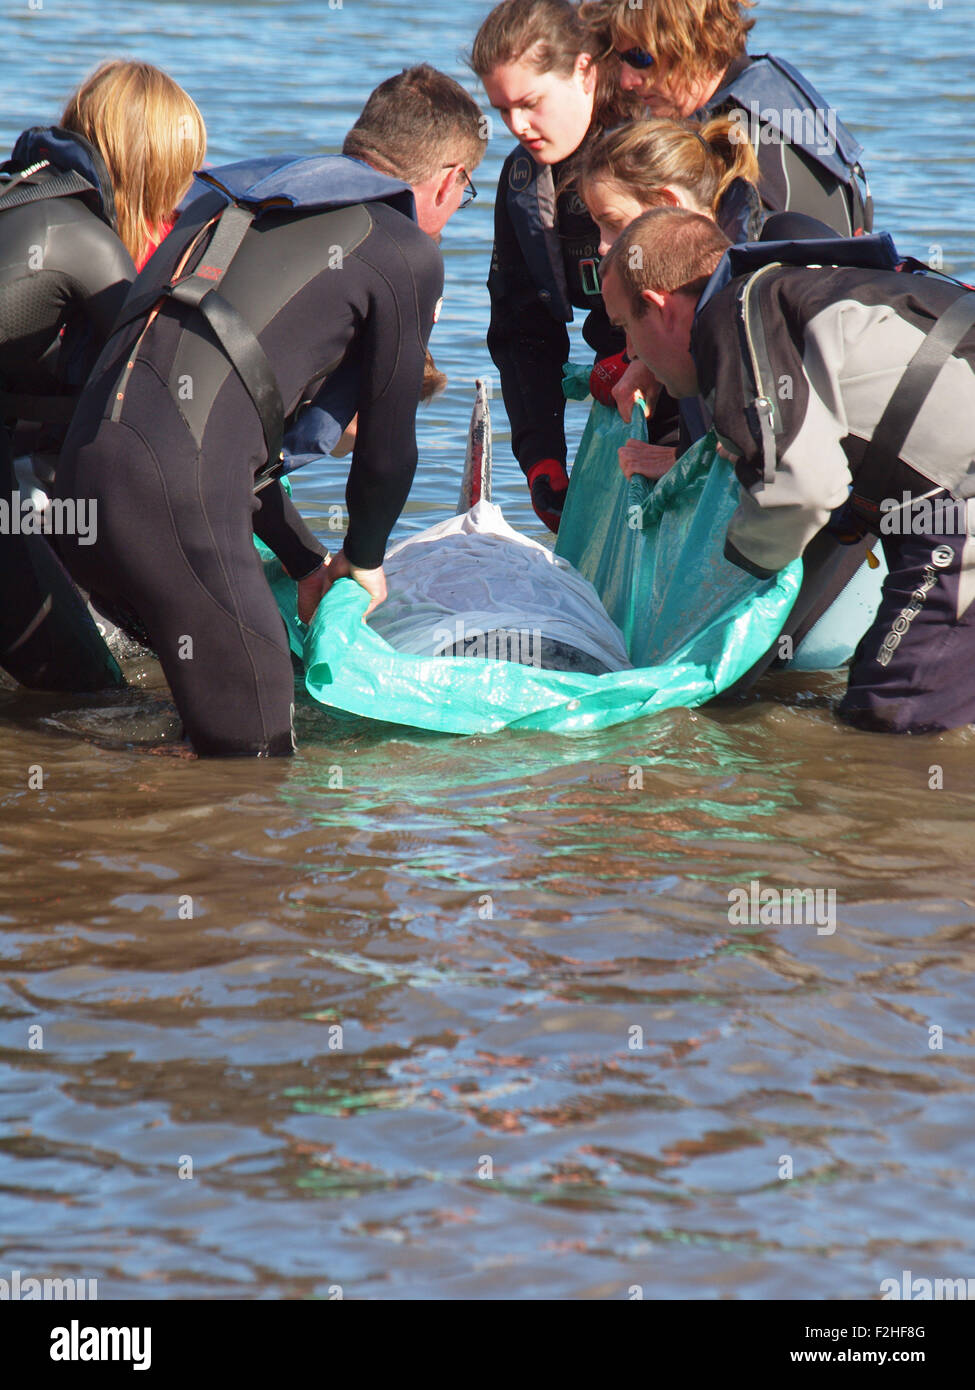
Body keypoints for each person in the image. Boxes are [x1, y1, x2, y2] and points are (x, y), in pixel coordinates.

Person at [53, 72, 485, 758]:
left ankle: (105, 834)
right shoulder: (404, 250)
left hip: (78, 491)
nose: (457, 207)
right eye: (468, 194)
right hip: (173, 509)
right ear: (449, 178)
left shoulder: (232, 201)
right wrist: (362, 560)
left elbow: (222, 433)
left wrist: (306, 561)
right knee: (252, 766)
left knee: (200, 724)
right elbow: (387, 450)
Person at [598, 208, 975, 734]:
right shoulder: (787, 294)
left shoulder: (736, 320)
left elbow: (802, 492)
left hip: (957, 513)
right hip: (940, 498)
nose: (631, 353)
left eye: (625, 329)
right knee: (879, 687)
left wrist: (728, 577)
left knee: (891, 718)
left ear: (660, 308)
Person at [0, 60, 205, 690]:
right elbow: (164, 400)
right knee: (94, 693)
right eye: (176, 178)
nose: (177, 200)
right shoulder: (87, 242)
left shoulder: (23, 201)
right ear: (146, 170)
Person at [470, 0, 642, 532]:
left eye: (529, 103)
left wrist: (641, 361)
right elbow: (523, 330)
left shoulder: (653, 143)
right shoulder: (524, 181)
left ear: (583, 71)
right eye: (501, 110)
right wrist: (540, 456)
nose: (516, 125)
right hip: (615, 385)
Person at [579, 0, 871, 235]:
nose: (626, 81)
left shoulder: (737, 132)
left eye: (640, 57)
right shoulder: (772, 83)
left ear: (690, 40)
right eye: (621, 60)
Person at [576, 113, 763, 480]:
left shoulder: (751, 278)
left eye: (613, 223)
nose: (601, 246)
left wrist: (690, 459)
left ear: (669, 203)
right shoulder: (698, 276)